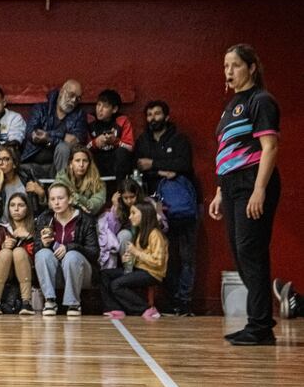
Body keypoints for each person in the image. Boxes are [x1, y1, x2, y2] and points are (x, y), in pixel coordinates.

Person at [210, 44, 281, 345]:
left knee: (251, 253)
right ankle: (259, 321)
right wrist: (218, 192)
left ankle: (260, 326)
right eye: (226, 66)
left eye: (235, 65)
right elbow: (226, 151)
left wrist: (259, 189)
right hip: (231, 186)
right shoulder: (230, 106)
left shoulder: (261, 100)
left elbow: (269, 148)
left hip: (252, 182)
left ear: (251, 68)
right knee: (241, 255)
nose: (229, 72)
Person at [135, 99, 196, 315]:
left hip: (184, 205)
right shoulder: (143, 140)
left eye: (157, 114)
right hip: (156, 206)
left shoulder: (179, 139)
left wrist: (154, 164)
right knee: (164, 255)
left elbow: (184, 164)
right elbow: (140, 168)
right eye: (149, 114)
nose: (153, 118)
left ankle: (184, 301)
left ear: (166, 117)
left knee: (187, 255)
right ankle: (170, 301)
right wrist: (164, 167)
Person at [34, 183, 99, 317]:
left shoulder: (85, 220)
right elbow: (35, 251)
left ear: (70, 199)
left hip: (81, 273)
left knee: (72, 256)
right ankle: (50, 301)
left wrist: (70, 247)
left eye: (60, 198)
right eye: (52, 199)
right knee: (42, 254)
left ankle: (73, 303)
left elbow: (94, 253)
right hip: (56, 273)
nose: (56, 203)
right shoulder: (45, 218)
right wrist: (44, 244)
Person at [100, 200, 166, 320]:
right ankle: (115, 308)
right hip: (140, 269)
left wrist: (136, 252)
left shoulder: (155, 234)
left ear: (144, 215)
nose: (130, 217)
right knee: (105, 274)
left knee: (116, 285)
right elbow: (140, 257)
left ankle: (145, 308)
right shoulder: (140, 233)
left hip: (152, 273)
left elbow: (158, 262)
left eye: (134, 213)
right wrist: (129, 259)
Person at [0, 146, 45, 254]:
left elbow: (41, 208)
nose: (1, 163)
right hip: (3, 226)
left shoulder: (26, 177)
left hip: (26, 223)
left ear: (14, 163)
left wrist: (41, 193)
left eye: (5, 159)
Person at [22, 79, 86, 178]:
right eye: (71, 95)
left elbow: (75, 140)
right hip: (33, 162)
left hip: (58, 166)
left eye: (78, 98)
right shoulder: (40, 109)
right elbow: (32, 134)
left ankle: (63, 186)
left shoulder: (79, 115)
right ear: (62, 91)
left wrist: (48, 137)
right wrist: (62, 137)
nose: (74, 100)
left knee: (63, 148)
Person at [0, 193, 36, 315]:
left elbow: (38, 253)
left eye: (21, 205)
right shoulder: (2, 228)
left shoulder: (35, 227)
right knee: (5, 253)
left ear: (27, 208)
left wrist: (29, 237)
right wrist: (1, 246)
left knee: (19, 252)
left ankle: (26, 302)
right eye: (12, 205)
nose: (16, 209)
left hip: (28, 271)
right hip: (5, 272)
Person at [86, 89, 134, 182]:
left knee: (122, 153)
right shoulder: (90, 120)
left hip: (115, 161)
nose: (99, 109)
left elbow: (130, 147)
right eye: (98, 105)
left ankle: (121, 189)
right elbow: (82, 148)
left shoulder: (122, 120)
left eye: (105, 107)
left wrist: (115, 141)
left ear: (114, 109)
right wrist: (95, 143)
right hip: (97, 161)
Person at [54, 145, 106, 216]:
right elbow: (57, 202)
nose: (81, 165)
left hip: (89, 220)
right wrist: (79, 205)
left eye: (85, 161)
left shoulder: (98, 183)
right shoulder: (61, 178)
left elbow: (93, 207)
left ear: (89, 164)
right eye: (77, 160)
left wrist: (73, 196)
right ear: (71, 164)